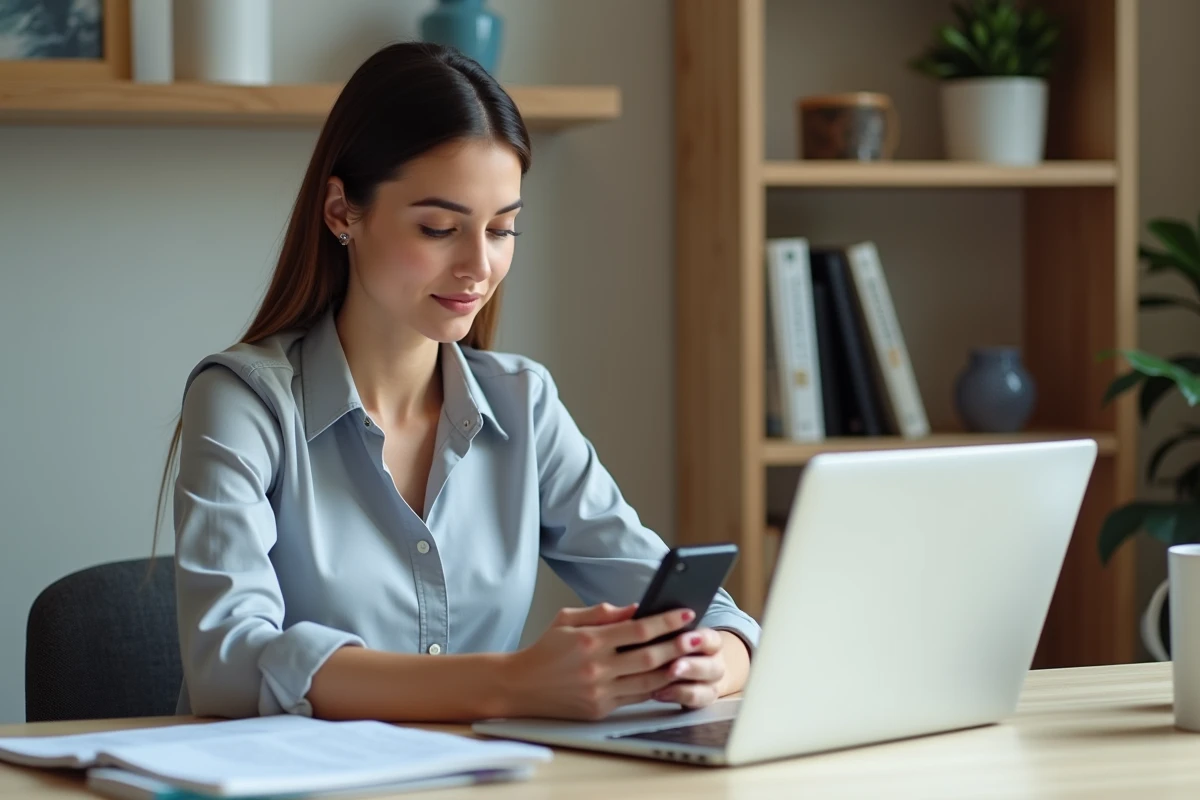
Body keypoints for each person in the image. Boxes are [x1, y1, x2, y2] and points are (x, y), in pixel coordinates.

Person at [155, 41, 761, 724]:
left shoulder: (523, 405)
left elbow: (705, 612)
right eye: (439, 228)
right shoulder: (244, 401)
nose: (478, 266)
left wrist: (711, 659)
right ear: (340, 212)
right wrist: (512, 684)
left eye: (502, 230)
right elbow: (228, 665)